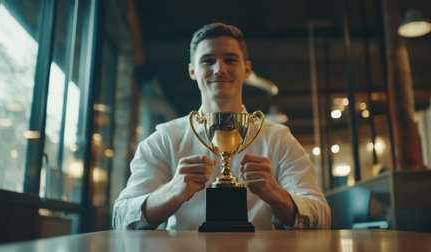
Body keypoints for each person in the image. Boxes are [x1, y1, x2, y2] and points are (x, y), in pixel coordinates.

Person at [113, 22, 331, 230]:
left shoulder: (278, 138)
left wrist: (275, 193)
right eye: (208, 60)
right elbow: (121, 217)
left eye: (230, 60)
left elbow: (322, 215)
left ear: (247, 70)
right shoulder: (164, 139)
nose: (219, 69)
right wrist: (173, 191)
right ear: (192, 71)